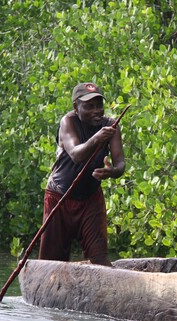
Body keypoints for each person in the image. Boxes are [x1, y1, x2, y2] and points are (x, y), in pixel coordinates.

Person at [38, 82, 125, 265]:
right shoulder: (68, 122)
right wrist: (96, 138)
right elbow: (76, 154)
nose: (96, 111)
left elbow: (120, 165)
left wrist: (112, 172)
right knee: (52, 263)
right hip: (59, 197)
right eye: (89, 106)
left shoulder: (111, 126)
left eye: (99, 105)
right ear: (76, 107)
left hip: (90, 199)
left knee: (99, 259)